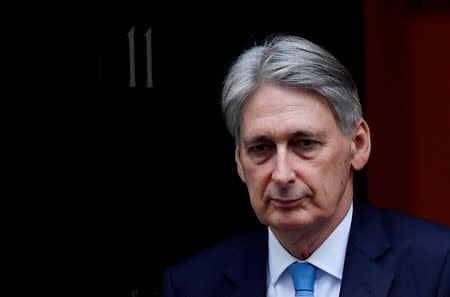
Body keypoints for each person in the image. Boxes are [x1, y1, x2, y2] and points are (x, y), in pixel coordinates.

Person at [161, 35, 450, 297]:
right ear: (239, 161)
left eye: (305, 144)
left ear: (358, 145)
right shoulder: (191, 285)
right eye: (261, 149)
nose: (282, 174)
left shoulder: (436, 266)